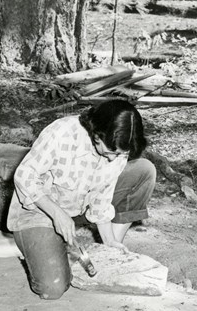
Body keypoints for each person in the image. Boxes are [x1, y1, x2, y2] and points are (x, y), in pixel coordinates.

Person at [9, 100, 154, 300]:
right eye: (110, 152)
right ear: (97, 134)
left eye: (120, 154)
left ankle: (92, 250)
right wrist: (56, 213)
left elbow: (103, 195)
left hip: (77, 207)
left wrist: (110, 241)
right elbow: (24, 176)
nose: (113, 159)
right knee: (53, 288)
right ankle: (39, 246)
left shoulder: (116, 150)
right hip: (38, 208)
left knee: (144, 170)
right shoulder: (61, 133)